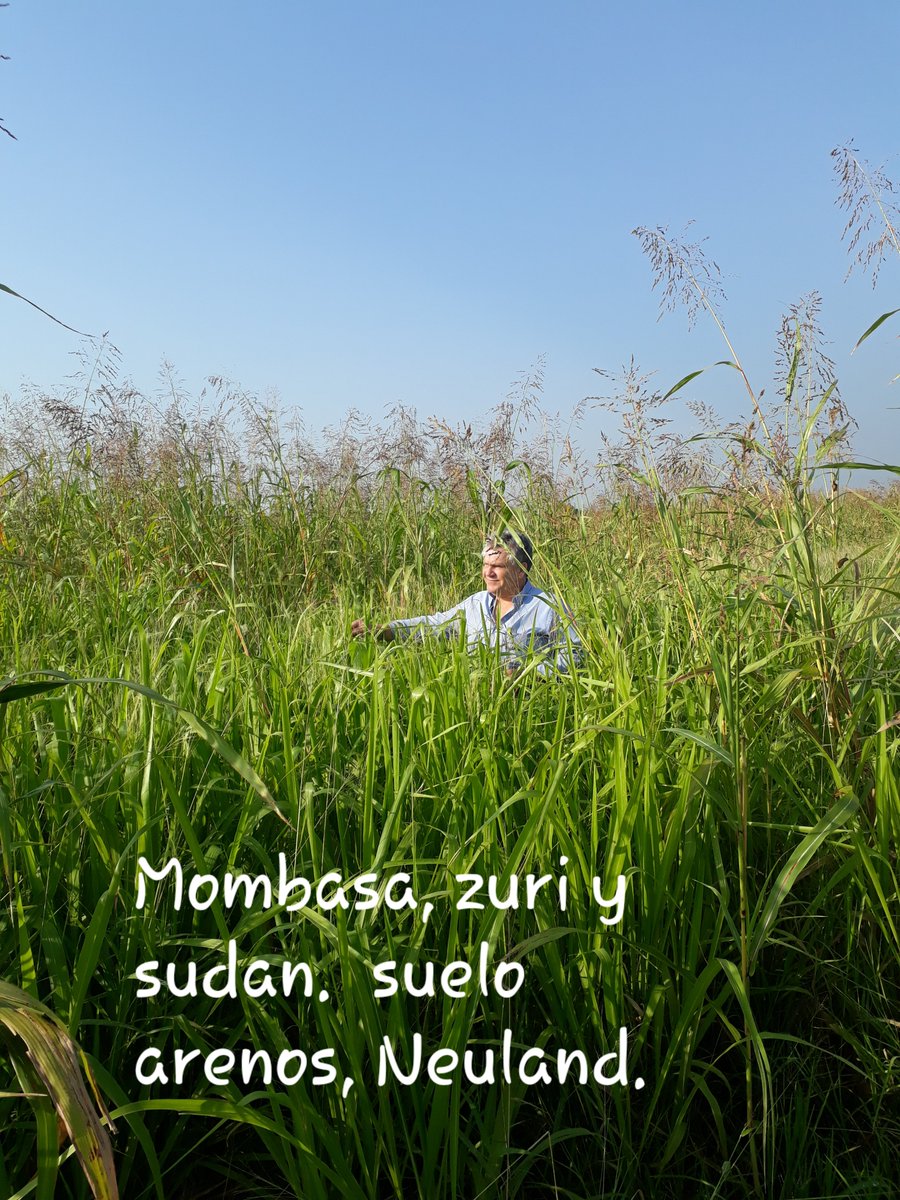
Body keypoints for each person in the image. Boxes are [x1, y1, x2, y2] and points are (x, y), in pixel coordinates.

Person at [350, 530, 579, 676]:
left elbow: (575, 662)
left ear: (521, 570)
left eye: (498, 567)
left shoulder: (549, 607)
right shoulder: (475, 605)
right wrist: (385, 631)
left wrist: (527, 674)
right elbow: (433, 626)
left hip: (532, 715)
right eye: (485, 565)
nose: (488, 573)